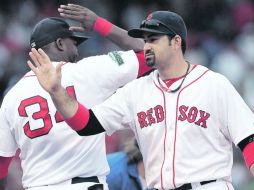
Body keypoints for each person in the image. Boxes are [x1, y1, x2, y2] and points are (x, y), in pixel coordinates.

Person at [27, 10, 254, 190]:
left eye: (153, 39)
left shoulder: (213, 84)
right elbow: (87, 124)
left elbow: (248, 140)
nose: (146, 46)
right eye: (145, 40)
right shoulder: (135, 91)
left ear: (176, 42)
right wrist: (57, 91)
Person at [0, 3, 151, 190]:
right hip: (84, 184)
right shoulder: (88, 70)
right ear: (60, 43)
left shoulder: (11, 97)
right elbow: (149, 54)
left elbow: (1, 165)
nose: (77, 50)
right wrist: (98, 24)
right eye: (74, 42)